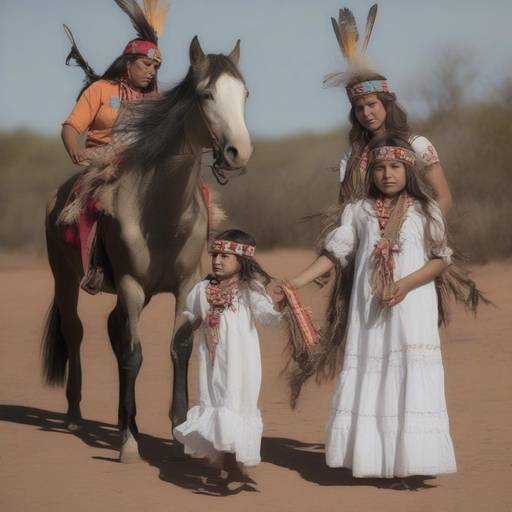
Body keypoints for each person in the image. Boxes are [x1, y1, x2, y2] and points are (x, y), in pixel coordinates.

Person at [284, 136, 458, 480]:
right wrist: (297, 282)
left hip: (412, 307)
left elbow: (441, 261)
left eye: (395, 167)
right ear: (371, 173)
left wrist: (406, 285)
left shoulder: (427, 211)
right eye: (379, 168)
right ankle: (373, 459)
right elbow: (335, 254)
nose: (387, 175)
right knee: (372, 375)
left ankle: (413, 462)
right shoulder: (357, 211)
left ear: (408, 170)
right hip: (370, 310)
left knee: (409, 374)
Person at [58, 0, 169, 293]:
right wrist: (75, 149)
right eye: (146, 64)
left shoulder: (156, 99)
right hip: (103, 161)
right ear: (128, 62)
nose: (151, 72)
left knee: (196, 191)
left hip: (144, 162)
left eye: (156, 67)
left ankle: (188, 258)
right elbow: (71, 127)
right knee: (94, 197)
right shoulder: (101, 90)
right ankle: (95, 264)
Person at [173, 230, 284, 485]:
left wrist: (282, 309)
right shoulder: (202, 289)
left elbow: (268, 317)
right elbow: (192, 314)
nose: (217, 261)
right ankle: (225, 459)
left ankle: (233, 462)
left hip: (241, 365)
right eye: (215, 255)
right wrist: (184, 329)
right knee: (216, 401)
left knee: (236, 403)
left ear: (242, 261)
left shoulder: (250, 290)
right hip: (211, 364)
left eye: (225, 256)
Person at [327, 5, 452, 213]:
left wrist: (423, 233)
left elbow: (444, 197)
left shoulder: (418, 146)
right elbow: (345, 208)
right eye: (359, 108)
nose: (366, 113)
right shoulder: (351, 156)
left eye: (372, 105)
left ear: (386, 103)